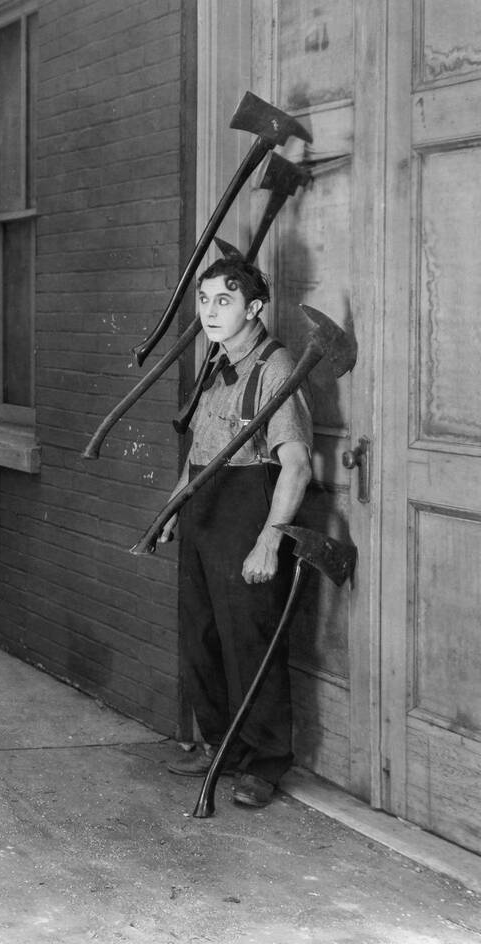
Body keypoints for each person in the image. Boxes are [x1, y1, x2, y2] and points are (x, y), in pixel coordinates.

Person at [158, 256, 313, 809]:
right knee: (201, 636)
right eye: (204, 301)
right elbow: (199, 449)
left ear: (253, 307)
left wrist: (269, 540)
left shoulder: (276, 368)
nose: (210, 312)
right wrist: (175, 507)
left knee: (251, 640)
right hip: (203, 511)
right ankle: (219, 745)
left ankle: (265, 763)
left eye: (223, 301)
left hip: (248, 514)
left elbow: (295, 466)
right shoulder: (214, 363)